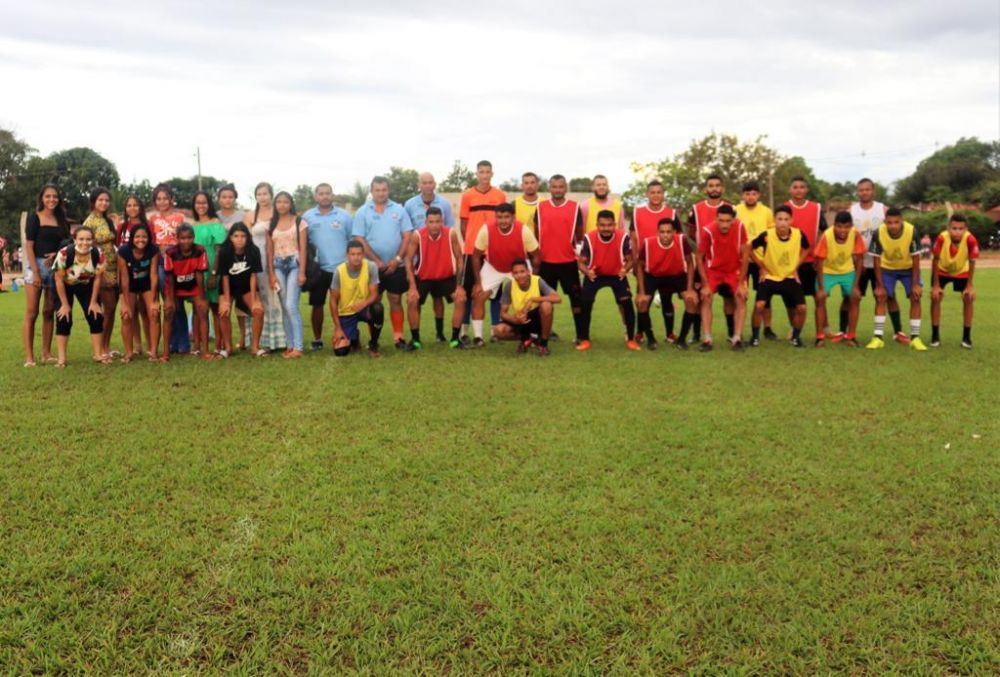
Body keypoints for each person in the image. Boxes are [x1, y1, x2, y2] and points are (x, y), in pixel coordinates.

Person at [352, 176, 414, 349]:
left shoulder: (399, 210)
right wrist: (376, 261)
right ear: (371, 191)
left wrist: (397, 259)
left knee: (395, 299)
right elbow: (359, 238)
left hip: (397, 265)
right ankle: (374, 340)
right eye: (377, 190)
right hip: (372, 267)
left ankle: (398, 338)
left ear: (389, 190)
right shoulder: (363, 211)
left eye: (384, 189)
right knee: (374, 302)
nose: (381, 193)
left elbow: (407, 236)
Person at [471, 202, 540, 347]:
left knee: (530, 301)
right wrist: (478, 283)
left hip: (517, 268)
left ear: (513, 217)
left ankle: (533, 335)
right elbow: (476, 255)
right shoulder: (486, 230)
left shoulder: (523, 230)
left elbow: (536, 256)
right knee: (479, 296)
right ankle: (478, 337)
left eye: (506, 217)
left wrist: (533, 280)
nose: (503, 221)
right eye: (499, 217)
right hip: (493, 266)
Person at [746, 205, 809, 347]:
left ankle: (796, 338)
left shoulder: (799, 234)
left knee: (802, 308)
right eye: (780, 219)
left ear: (791, 220)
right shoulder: (766, 235)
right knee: (759, 305)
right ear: (775, 220)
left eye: (786, 219)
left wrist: (796, 267)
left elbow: (807, 248)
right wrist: (761, 267)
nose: (783, 222)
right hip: (770, 277)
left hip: (789, 278)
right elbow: (749, 248)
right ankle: (754, 338)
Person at [404, 206, 466, 350]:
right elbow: (408, 259)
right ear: (426, 222)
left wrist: (459, 285)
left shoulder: (450, 234)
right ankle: (415, 340)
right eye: (431, 222)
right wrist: (412, 286)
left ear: (442, 221)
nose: (434, 225)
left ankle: (455, 339)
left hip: (445, 276)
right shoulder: (417, 235)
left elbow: (459, 258)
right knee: (412, 300)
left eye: (437, 221)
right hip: (424, 277)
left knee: (461, 298)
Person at [576, 210, 639, 351]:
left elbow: (631, 260)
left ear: (614, 225)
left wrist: (625, 269)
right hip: (595, 275)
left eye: (609, 225)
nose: (606, 228)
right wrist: (587, 272)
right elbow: (581, 263)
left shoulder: (622, 237)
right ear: (597, 224)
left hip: (617, 274)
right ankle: (585, 339)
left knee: (626, 304)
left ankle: (630, 339)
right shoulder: (589, 237)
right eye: (602, 225)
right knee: (585, 304)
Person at [22, 184, 70, 367]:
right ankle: (29, 357)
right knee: (32, 313)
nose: (52, 199)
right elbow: (29, 245)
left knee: (49, 311)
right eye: (48, 196)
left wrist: (57, 253)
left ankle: (47, 353)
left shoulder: (61, 219)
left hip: (55, 268)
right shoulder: (35, 218)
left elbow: (66, 243)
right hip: (36, 267)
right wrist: (35, 273)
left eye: (55, 196)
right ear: (42, 198)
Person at [866, 208, 927, 351]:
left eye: (896, 222)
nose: (893, 226)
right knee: (881, 297)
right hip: (887, 269)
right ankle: (878, 337)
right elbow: (876, 260)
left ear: (902, 221)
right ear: (885, 222)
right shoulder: (878, 232)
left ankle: (915, 338)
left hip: (908, 269)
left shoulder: (912, 231)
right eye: (889, 223)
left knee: (915, 296)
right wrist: (879, 286)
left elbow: (916, 258)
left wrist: (915, 284)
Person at [404, 173, 455, 341]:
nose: (427, 185)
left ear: (435, 184)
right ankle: (415, 338)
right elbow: (407, 230)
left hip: (439, 259)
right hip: (419, 262)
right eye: (424, 182)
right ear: (419, 184)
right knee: (415, 300)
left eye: (430, 182)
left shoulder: (444, 204)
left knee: (438, 298)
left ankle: (440, 334)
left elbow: (449, 230)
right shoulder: (410, 204)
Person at [458, 161, 507, 339]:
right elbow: (464, 224)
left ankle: (494, 330)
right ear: (477, 174)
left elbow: (503, 222)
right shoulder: (467, 196)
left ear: (492, 174)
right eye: (481, 172)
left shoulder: (500, 195)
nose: (485, 175)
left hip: (493, 252)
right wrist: (471, 243)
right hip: (472, 251)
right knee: (470, 292)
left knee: (495, 293)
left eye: (487, 172)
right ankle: (464, 331)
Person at [302, 183, 353, 350]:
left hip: (341, 269)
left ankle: (347, 336)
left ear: (332, 195)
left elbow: (352, 241)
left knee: (344, 305)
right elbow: (303, 243)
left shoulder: (344, 216)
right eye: (321, 194)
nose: (324, 196)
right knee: (317, 305)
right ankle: (317, 339)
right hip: (318, 270)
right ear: (316, 196)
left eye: (327, 193)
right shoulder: (307, 217)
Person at [534, 174, 584, 343]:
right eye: (554, 187)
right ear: (549, 188)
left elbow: (579, 234)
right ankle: (542, 333)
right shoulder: (540, 207)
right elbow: (536, 233)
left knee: (576, 299)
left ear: (566, 188)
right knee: (544, 301)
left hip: (568, 262)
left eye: (561, 187)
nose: (557, 190)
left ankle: (580, 334)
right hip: (546, 263)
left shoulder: (575, 207)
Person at [635, 218, 698, 350]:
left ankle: (681, 340)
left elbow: (690, 263)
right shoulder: (647, 243)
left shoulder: (681, 241)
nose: (665, 235)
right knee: (641, 302)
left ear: (674, 232)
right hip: (653, 275)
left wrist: (690, 288)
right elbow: (639, 266)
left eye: (669, 232)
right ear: (657, 232)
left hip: (677, 275)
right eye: (662, 232)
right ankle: (651, 339)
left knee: (691, 300)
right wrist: (641, 292)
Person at [631, 180, 682, 343]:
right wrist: (634, 261)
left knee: (667, 299)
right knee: (643, 299)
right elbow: (633, 239)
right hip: (645, 266)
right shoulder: (637, 212)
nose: (655, 195)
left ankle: (669, 333)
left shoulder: (671, 213)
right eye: (652, 192)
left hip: (667, 266)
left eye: (659, 192)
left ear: (663, 194)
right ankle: (641, 332)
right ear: (647, 194)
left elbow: (678, 240)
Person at [850, 178, 898, 343]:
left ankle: (898, 332)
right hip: (859, 263)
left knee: (888, 296)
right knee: (852, 297)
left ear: (873, 190)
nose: (864, 192)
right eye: (861, 190)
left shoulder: (882, 210)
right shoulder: (852, 211)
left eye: (867, 189)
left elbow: (894, 231)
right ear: (857, 192)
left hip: (880, 263)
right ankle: (844, 331)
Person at [695, 204, 748, 351]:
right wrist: (705, 284)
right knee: (705, 297)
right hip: (713, 270)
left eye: (727, 221)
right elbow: (699, 257)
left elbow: (745, 255)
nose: (724, 224)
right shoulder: (708, 231)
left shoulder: (740, 227)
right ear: (716, 219)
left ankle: (736, 338)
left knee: (741, 296)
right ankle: (707, 339)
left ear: (733, 220)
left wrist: (742, 283)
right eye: (721, 221)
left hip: (733, 270)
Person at [52, 226, 106, 367]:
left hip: (86, 285)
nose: (85, 242)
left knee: (95, 316)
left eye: (88, 239)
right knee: (63, 317)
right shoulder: (64, 253)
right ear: (75, 239)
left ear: (92, 240)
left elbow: (98, 279)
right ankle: (62, 358)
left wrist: (94, 302)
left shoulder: (97, 253)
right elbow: (58, 279)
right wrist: (64, 304)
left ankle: (98, 354)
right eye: (81, 239)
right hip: (65, 285)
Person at [687, 175, 731, 344]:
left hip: (725, 260)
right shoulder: (696, 209)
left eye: (717, 185)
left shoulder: (730, 208)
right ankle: (697, 334)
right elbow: (691, 232)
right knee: (701, 297)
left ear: (722, 188)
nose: (714, 188)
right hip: (703, 261)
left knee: (729, 297)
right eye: (711, 186)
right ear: (706, 189)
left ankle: (731, 332)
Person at [149, 184, 191, 354]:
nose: (162, 201)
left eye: (165, 198)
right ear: (155, 201)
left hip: (178, 262)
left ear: (171, 199)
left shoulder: (180, 217)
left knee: (178, 302)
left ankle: (184, 342)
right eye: (159, 199)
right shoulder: (152, 219)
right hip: (160, 261)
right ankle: (171, 341)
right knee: (167, 302)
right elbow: (151, 241)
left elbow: (186, 239)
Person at [814, 211, 866, 348]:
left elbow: (860, 260)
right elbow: (819, 262)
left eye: (846, 227)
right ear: (834, 225)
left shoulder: (855, 235)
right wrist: (820, 288)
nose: (843, 230)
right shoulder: (826, 235)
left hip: (847, 271)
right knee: (820, 298)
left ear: (851, 226)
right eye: (839, 226)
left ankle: (851, 336)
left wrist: (856, 286)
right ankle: (819, 337)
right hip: (827, 271)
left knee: (855, 297)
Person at [784, 176, 827, 342]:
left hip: (811, 261)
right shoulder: (785, 208)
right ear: (790, 189)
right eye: (795, 187)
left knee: (818, 296)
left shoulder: (816, 208)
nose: (799, 190)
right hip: (791, 262)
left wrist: (818, 252)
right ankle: (794, 328)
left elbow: (823, 231)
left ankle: (823, 329)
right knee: (791, 299)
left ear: (806, 190)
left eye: (802, 187)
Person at [266, 191, 308, 358]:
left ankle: (298, 347)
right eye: (279, 202)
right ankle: (290, 346)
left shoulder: (299, 222)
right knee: (284, 306)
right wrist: (271, 274)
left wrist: (302, 272)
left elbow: (303, 248)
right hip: (277, 265)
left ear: (290, 203)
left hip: (294, 265)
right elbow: (269, 251)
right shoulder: (271, 223)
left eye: (285, 202)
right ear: (275, 205)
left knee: (291, 305)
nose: (282, 205)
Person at [245, 182, 286, 351]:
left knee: (275, 297)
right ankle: (261, 341)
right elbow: (244, 239)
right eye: (259, 194)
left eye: (265, 193)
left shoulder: (278, 213)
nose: (262, 197)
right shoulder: (250, 216)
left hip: (275, 258)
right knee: (259, 298)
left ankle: (278, 339)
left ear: (271, 195)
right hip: (255, 260)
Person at [162, 224, 212, 360]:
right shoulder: (170, 253)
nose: (186, 241)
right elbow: (170, 276)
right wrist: (170, 299)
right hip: (175, 287)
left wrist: (202, 296)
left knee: (202, 311)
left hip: (194, 286)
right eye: (183, 238)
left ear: (193, 238)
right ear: (177, 238)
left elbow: (200, 274)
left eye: (189, 237)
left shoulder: (200, 250)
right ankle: (166, 353)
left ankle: (205, 351)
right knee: (168, 313)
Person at [736, 180, 778, 340]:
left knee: (765, 298)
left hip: (762, 261)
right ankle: (738, 330)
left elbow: (771, 237)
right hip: (742, 261)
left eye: (754, 194)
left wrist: (765, 262)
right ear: (742, 195)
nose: (750, 197)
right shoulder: (736, 210)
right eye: (747, 194)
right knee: (741, 296)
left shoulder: (766, 212)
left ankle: (767, 328)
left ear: (759, 195)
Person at [81, 188, 120, 360]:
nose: (104, 203)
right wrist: (98, 273)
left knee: (111, 310)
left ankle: (106, 346)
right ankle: (101, 349)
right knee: (108, 307)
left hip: (114, 267)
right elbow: (86, 247)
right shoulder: (89, 222)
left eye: (106, 200)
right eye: (100, 200)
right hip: (101, 269)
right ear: (93, 202)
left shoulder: (106, 220)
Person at [216, 223, 265, 357]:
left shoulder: (254, 250)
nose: (240, 239)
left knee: (259, 311)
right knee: (223, 312)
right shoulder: (225, 251)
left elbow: (253, 276)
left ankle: (255, 347)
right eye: (236, 236)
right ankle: (227, 348)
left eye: (243, 236)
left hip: (246, 286)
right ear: (230, 237)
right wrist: (226, 300)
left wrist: (255, 300)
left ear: (248, 237)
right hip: (228, 286)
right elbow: (225, 277)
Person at [494, 258, 561, 356]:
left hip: (536, 318)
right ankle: (528, 338)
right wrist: (516, 320)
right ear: (512, 274)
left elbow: (557, 298)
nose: (519, 275)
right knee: (498, 330)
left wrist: (533, 299)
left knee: (546, 305)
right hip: (520, 318)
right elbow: (503, 313)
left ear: (528, 272)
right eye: (516, 273)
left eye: (522, 271)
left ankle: (543, 344)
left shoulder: (537, 281)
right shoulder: (509, 285)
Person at [930, 214, 978, 349]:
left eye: (961, 228)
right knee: (936, 297)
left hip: (962, 271)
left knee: (968, 298)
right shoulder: (941, 238)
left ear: (966, 229)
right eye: (954, 228)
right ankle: (935, 336)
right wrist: (935, 285)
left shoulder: (970, 239)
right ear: (948, 228)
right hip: (941, 270)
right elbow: (935, 260)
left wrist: (969, 286)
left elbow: (972, 261)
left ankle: (967, 337)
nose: (957, 231)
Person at [330, 240, 383, 358]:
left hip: (365, 308)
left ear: (363, 254)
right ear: (347, 255)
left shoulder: (371, 266)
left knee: (378, 309)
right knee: (341, 351)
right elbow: (333, 301)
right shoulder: (339, 271)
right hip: (346, 311)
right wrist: (338, 328)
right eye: (353, 254)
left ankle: (373, 344)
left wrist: (363, 305)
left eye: (359, 254)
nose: (356, 257)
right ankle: (354, 339)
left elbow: (375, 294)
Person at [116, 223, 161, 362]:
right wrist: (125, 302)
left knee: (154, 313)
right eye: (137, 237)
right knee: (126, 316)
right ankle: (129, 352)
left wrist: (154, 300)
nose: (141, 240)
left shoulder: (153, 250)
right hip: (129, 285)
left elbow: (154, 275)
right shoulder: (123, 251)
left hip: (147, 284)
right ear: (132, 238)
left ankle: (153, 351)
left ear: (149, 238)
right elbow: (123, 277)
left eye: (144, 237)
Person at [191, 191, 228, 354]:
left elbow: (220, 250)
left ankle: (218, 345)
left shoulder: (215, 222)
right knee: (197, 308)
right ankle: (197, 345)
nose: (201, 206)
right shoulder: (193, 225)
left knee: (214, 308)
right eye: (198, 203)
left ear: (209, 204)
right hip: (196, 271)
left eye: (204, 202)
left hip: (212, 267)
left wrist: (214, 273)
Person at [217, 183, 249, 351]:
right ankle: (223, 341)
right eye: (224, 197)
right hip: (223, 264)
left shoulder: (242, 215)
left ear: (235, 198)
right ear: (219, 199)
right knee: (223, 304)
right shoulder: (215, 217)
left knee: (242, 305)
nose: (227, 200)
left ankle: (243, 337)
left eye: (230, 196)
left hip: (241, 263)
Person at [513, 172, 541, 237]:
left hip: (540, 245)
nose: (529, 186)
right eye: (526, 183)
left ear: (537, 185)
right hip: (520, 245)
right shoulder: (514, 204)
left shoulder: (545, 203)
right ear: (522, 185)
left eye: (532, 182)